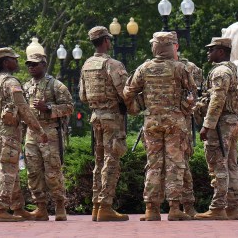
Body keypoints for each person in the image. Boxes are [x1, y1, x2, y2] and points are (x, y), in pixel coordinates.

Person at [123, 32, 196, 221]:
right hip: (175, 122)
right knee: (175, 163)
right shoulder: (180, 68)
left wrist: (137, 107)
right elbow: (192, 95)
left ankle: (151, 209)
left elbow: (127, 91)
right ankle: (174, 208)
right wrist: (184, 108)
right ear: (172, 47)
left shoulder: (144, 68)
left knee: (153, 164)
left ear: (155, 47)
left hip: (151, 122)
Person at [0, 47, 48, 222]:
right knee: (7, 170)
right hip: (8, 131)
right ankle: (1, 209)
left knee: (10, 169)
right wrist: (39, 130)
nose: (17, 61)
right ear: (6, 62)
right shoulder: (11, 82)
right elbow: (24, 109)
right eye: (14, 59)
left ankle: (17, 208)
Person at [79, 26, 129, 222]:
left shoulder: (86, 65)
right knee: (111, 160)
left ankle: (96, 205)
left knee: (99, 161)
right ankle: (106, 206)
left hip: (95, 117)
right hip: (112, 118)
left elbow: (83, 96)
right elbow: (125, 92)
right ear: (106, 41)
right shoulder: (112, 64)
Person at [194, 37, 238, 220]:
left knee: (218, 165)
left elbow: (217, 100)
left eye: (211, 49)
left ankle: (217, 208)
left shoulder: (221, 71)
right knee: (231, 165)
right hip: (233, 121)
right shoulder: (234, 70)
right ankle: (233, 207)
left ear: (221, 52)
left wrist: (207, 125)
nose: (208, 53)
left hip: (221, 124)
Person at [22, 53, 73, 221]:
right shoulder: (25, 86)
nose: (31, 67)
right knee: (33, 172)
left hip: (50, 132)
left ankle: (60, 206)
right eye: (29, 64)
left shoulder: (56, 86)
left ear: (44, 65)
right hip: (31, 134)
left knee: (53, 171)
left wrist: (48, 108)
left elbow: (69, 107)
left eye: (35, 64)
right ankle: (40, 208)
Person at [173, 34, 203, 218]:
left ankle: (188, 206)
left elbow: (195, 99)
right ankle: (153, 207)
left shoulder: (191, 68)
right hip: (159, 125)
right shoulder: (151, 67)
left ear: (175, 46)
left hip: (182, 124)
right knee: (155, 166)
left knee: (182, 166)